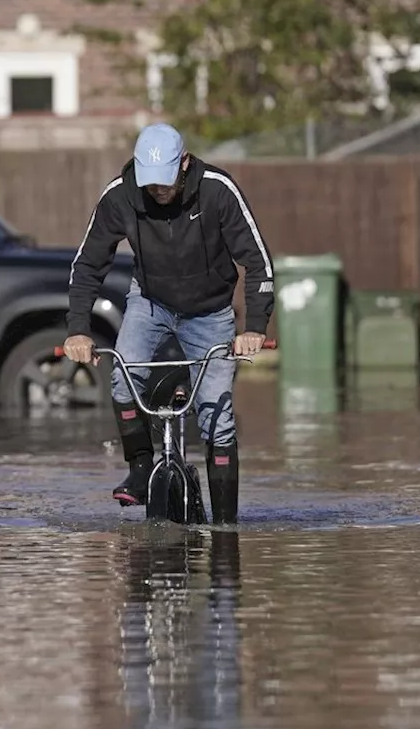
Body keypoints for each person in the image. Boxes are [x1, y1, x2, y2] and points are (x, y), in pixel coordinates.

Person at [63, 122, 275, 524]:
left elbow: (257, 261)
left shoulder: (217, 190)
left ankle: (225, 526)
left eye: (165, 182)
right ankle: (141, 467)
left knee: (218, 416)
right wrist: (78, 329)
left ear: (185, 163)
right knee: (124, 377)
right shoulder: (121, 196)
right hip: (151, 302)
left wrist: (255, 328)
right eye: (150, 183)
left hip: (211, 312)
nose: (158, 191)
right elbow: (88, 264)